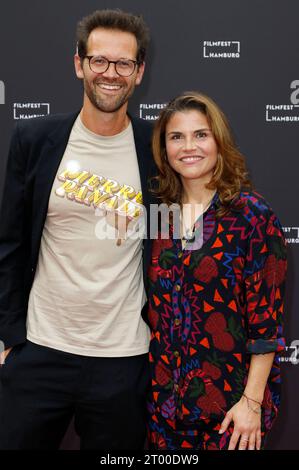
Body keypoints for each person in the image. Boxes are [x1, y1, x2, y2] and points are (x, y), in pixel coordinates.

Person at [0, 9, 154, 450]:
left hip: (124, 359)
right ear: (79, 64)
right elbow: (9, 245)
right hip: (39, 350)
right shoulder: (34, 140)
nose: (111, 73)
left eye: (124, 63)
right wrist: (9, 338)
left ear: (139, 72)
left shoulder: (158, 146)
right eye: (99, 60)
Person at [146, 92, 287, 450]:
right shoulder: (159, 217)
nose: (188, 146)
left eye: (201, 135)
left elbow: (267, 325)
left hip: (230, 412)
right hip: (164, 408)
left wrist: (251, 405)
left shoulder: (252, 215)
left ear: (219, 142)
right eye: (176, 137)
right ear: (164, 148)